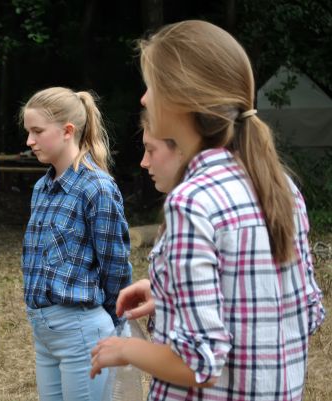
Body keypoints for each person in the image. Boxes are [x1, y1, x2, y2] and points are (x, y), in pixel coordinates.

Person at [91, 20, 326, 401]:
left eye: (152, 86)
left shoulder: (192, 202)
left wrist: (124, 349)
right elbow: (305, 311)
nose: (144, 99)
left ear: (182, 99)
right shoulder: (280, 186)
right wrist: (169, 292)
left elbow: (199, 364)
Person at [20, 86, 133, 401]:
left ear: (67, 131)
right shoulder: (42, 188)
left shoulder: (97, 187)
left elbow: (115, 263)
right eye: (29, 131)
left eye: (37, 131)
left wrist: (114, 321)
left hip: (82, 332)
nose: (29, 141)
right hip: (44, 332)